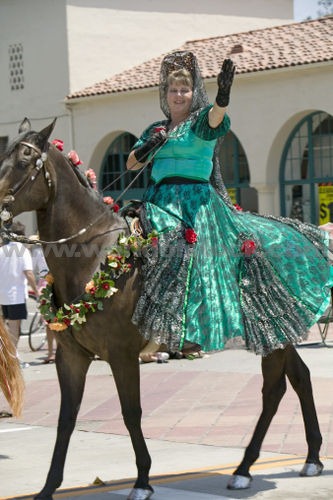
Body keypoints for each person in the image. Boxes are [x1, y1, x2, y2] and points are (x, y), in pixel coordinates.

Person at [126, 50, 333, 362]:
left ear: (193, 93)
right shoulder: (155, 128)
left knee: (184, 254)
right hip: (158, 200)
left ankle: (181, 333)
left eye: (184, 89)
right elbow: (130, 165)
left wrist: (222, 98)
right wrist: (152, 144)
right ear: (165, 95)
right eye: (173, 90)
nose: (179, 95)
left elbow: (215, 120)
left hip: (195, 204)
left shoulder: (200, 123)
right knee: (126, 243)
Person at [0, 220, 39, 367]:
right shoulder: (23, 251)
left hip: (2, 295)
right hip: (15, 294)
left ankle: (7, 356)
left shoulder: (2, 250)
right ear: (22, 235)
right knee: (14, 328)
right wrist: (36, 291)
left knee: (5, 328)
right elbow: (29, 273)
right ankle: (13, 359)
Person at [30, 234, 57, 363]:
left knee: (49, 321)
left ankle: (51, 352)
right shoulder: (57, 247)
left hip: (45, 284)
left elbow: (33, 268)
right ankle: (57, 351)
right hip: (57, 282)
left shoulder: (37, 251)